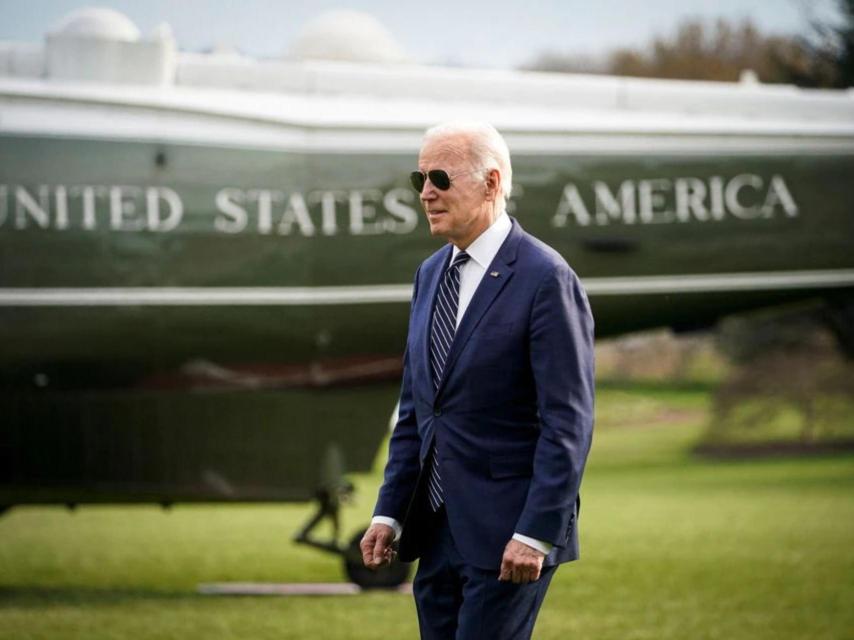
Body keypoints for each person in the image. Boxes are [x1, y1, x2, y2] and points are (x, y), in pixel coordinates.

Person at [360, 121, 595, 640]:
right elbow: (418, 411)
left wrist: (536, 533)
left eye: (440, 177)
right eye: (419, 177)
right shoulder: (429, 274)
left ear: (491, 183)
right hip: (436, 533)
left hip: (511, 534)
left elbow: (568, 424)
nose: (425, 192)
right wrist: (390, 514)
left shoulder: (546, 278)